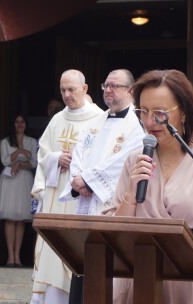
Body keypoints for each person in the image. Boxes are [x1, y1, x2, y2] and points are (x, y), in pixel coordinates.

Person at [105, 70, 193, 304]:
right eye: (143, 112)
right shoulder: (134, 160)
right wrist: (131, 195)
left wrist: (165, 254)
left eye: (160, 113)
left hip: (188, 282)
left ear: (184, 113)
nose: (149, 122)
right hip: (138, 280)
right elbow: (115, 232)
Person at [59, 69, 145, 303]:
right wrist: (78, 181)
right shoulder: (94, 121)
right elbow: (78, 153)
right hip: (85, 205)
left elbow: (124, 161)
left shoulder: (137, 126)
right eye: (105, 85)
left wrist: (89, 181)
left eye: (114, 86)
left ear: (130, 90)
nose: (108, 90)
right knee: (83, 263)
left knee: (106, 267)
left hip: (110, 205)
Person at [31, 69, 103, 304]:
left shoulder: (100, 118)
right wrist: (55, 159)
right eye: (63, 90)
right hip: (56, 194)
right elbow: (43, 153)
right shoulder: (57, 119)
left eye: (71, 89)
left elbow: (107, 156)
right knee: (55, 252)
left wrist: (84, 165)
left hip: (82, 196)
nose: (66, 94)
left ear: (85, 89)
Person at [0, 114, 38, 267]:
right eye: (16, 122)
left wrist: (19, 165)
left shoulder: (32, 141)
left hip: (24, 179)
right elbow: (5, 161)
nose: (19, 124)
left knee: (21, 219)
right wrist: (18, 153)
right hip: (9, 179)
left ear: (26, 124)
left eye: (22, 121)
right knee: (10, 218)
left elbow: (34, 162)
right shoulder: (5, 141)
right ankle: (10, 256)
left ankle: (17, 256)